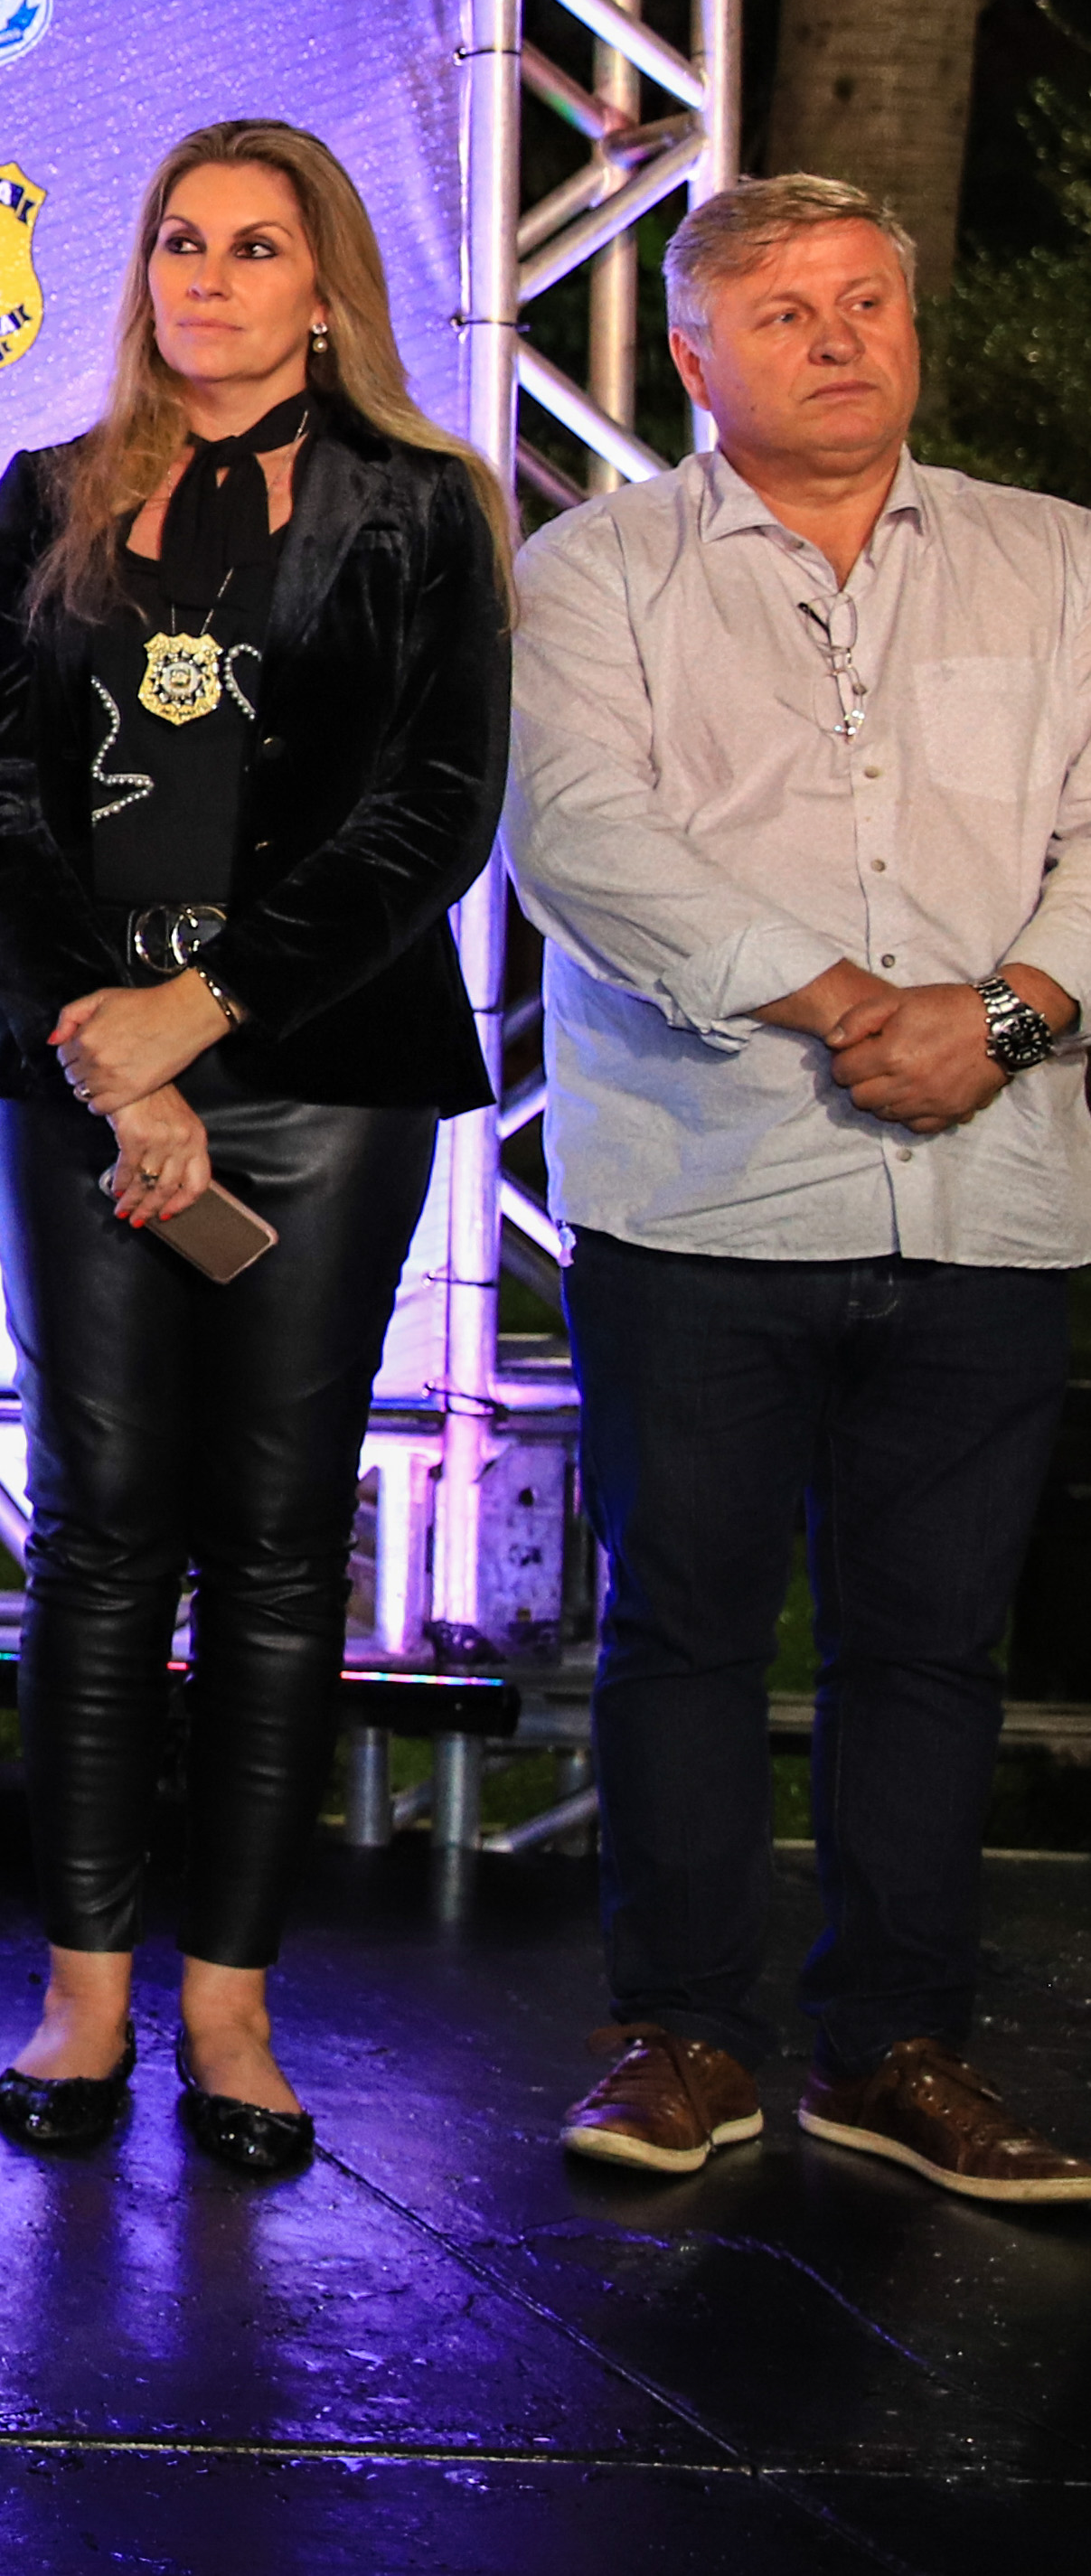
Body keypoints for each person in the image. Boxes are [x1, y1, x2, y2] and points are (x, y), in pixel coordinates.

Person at [506, 172, 1091, 2206]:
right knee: (681, 1628)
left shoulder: (1059, 558)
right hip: (703, 1189)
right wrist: (853, 1005)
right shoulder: (596, 570)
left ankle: (898, 2047)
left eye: (865, 302)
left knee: (932, 1647)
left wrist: (1001, 1015)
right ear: (692, 355)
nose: (839, 339)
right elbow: (582, 835)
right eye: (783, 311)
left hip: (992, 1188)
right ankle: (680, 2035)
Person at [0, 118, 507, 2181]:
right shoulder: (47, 493)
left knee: (273, 1543)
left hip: (324, 1070)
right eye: (179, 240)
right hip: (77, 1067)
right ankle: (83, 1995)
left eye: (254, 246)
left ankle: (232, 2010)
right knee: (98, 1533)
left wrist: (207, 1011)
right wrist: (123, 1052)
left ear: (326, 287)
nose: (205, 276)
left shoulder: (423, 506)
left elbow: (435, 808)